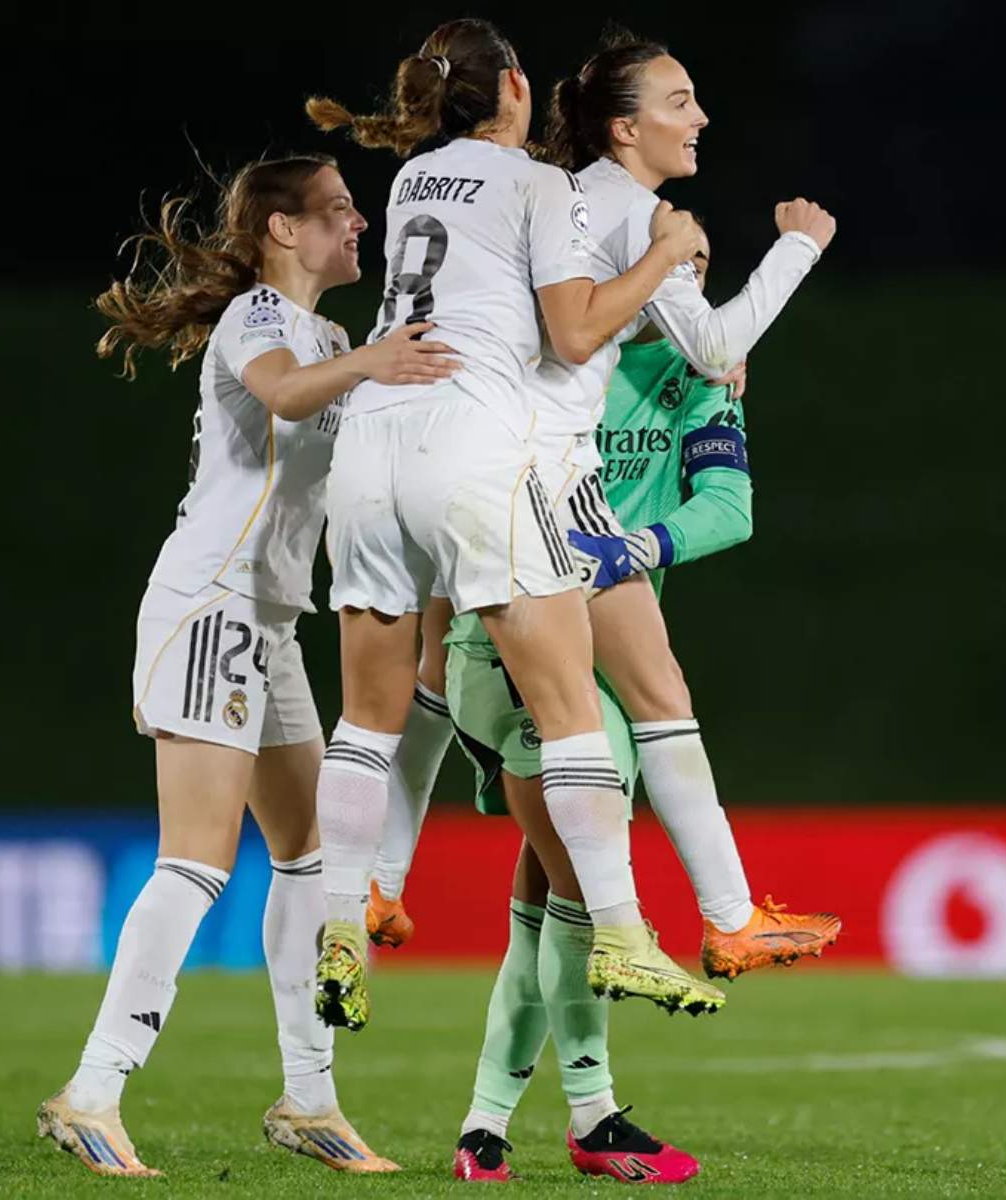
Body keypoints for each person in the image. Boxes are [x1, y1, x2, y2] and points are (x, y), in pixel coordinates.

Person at [363, 31, 842, 984]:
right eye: (679, 100)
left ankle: (376, 882)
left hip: (443, 444)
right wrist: (798, 249)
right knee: (652, 700)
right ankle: (721, 919)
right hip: (544, 481)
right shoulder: (624, 212)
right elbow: (707, 348)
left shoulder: (522, 187)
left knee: (428, 666)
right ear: (625, 129)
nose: (700, 116)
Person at [36, 154, 458, 1178]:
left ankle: (307, 1099)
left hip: (266, 619)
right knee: (196, 858)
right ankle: (92, 1089)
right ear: (281, 230)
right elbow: (280, 397)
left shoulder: (328, 337)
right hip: (210, 605)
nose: (359, 223)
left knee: (311, 853)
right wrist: (369, 368)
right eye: (338, 211)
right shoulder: (261, 323)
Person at [302, 17, 724, 1031]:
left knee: (367, 714)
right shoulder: (537, 185)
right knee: (570, 704)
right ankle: (622, 933)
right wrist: (664, 250)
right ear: (519, 90)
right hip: (472, 446)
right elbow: (573, 329)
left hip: (369, 447)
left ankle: (339, 928)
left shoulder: (409, 183)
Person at [447, 236, 762, 1183]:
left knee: (550, 901)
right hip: (516, 648)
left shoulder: (704, 384)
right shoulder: (551, 363)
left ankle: (486, 1126)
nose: (690, 284)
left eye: (703, 267)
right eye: (672, 262)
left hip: (605, 665)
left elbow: (732, 509)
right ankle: (591, 1115)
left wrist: (634, 547)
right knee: (583, 895)